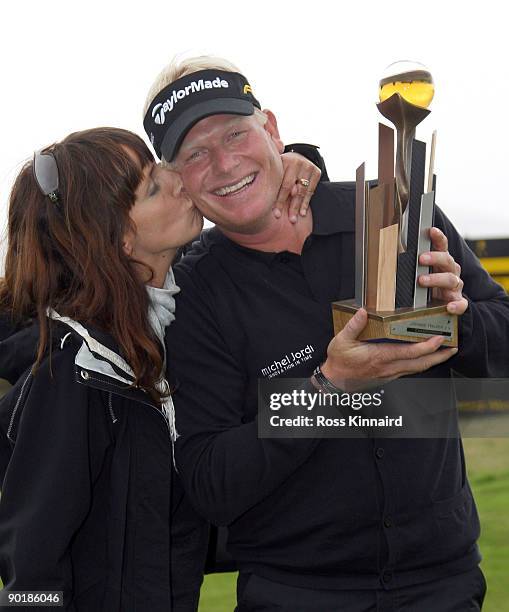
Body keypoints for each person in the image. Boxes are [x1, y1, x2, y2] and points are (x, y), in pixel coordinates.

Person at [143, 56, 509, 611]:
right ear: (178, 180)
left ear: (271, 129)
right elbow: (211, 480)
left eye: (235, 134)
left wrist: (454, 317)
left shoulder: (394, 213)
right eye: (195, 153)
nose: (223, 164)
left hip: (444, 582)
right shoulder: (193, 294)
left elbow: (501, 340)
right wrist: (327, 386)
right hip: (296, 593)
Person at [0, 126, 322, 611]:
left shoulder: (161, 331)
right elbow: (31, 576)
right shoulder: (72, 375)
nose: (178, 180)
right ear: (120, 240)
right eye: (153, 186)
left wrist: (291, 164)